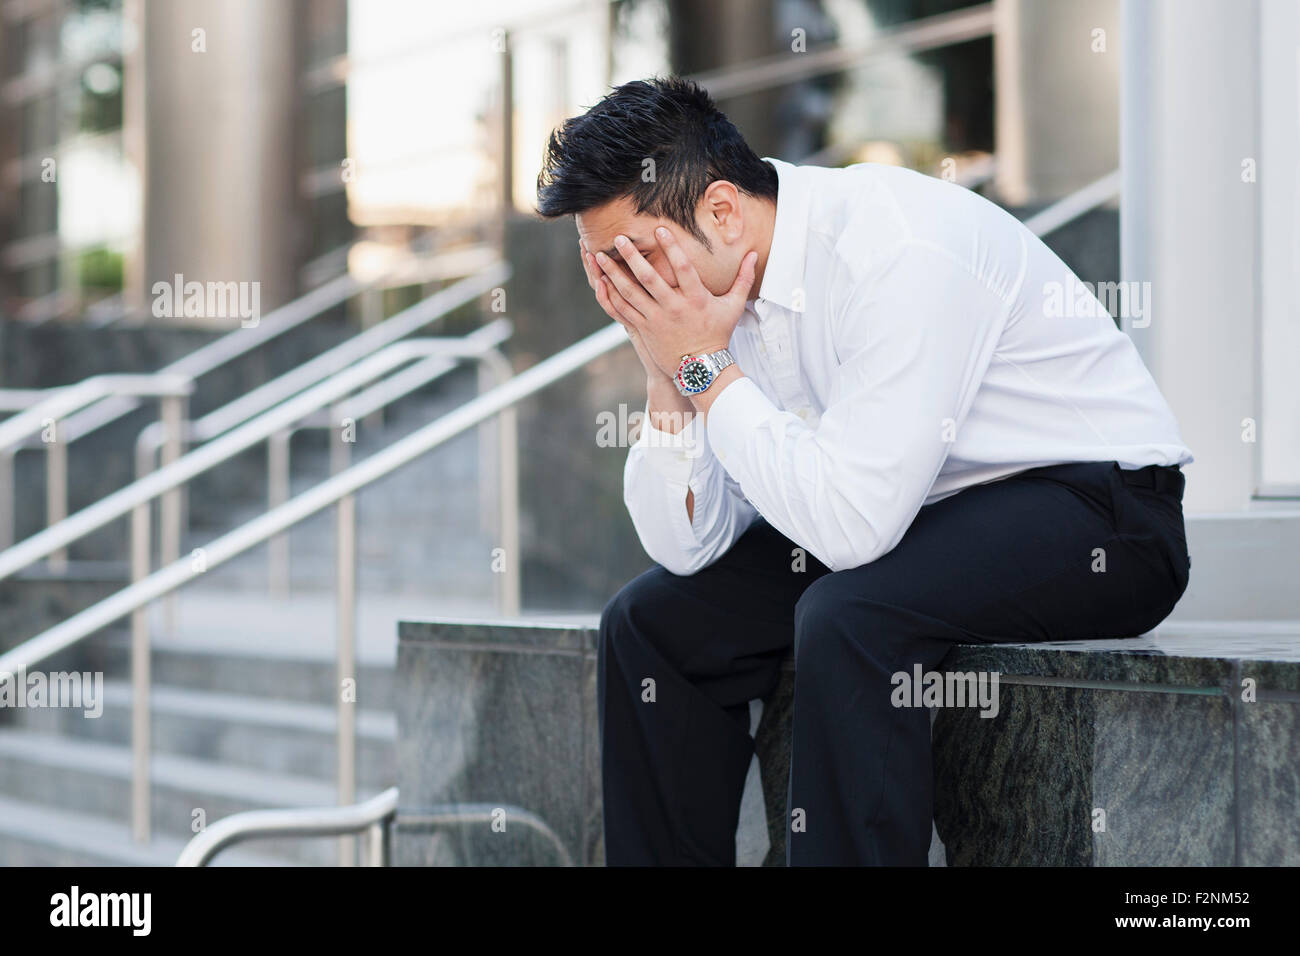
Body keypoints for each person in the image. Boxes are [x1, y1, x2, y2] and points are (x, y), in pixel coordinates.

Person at [535, 75, 1192, 866]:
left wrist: (705, 368)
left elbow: (851, 527)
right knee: (648, 625)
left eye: (633, 260)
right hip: (920, 513)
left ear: (719, 210)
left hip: (1102, 507)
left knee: (850, 616)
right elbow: (686, 548)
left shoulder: (895, 247)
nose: (626, 290)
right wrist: (666, 372)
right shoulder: (704, 306)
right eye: (602, 266)